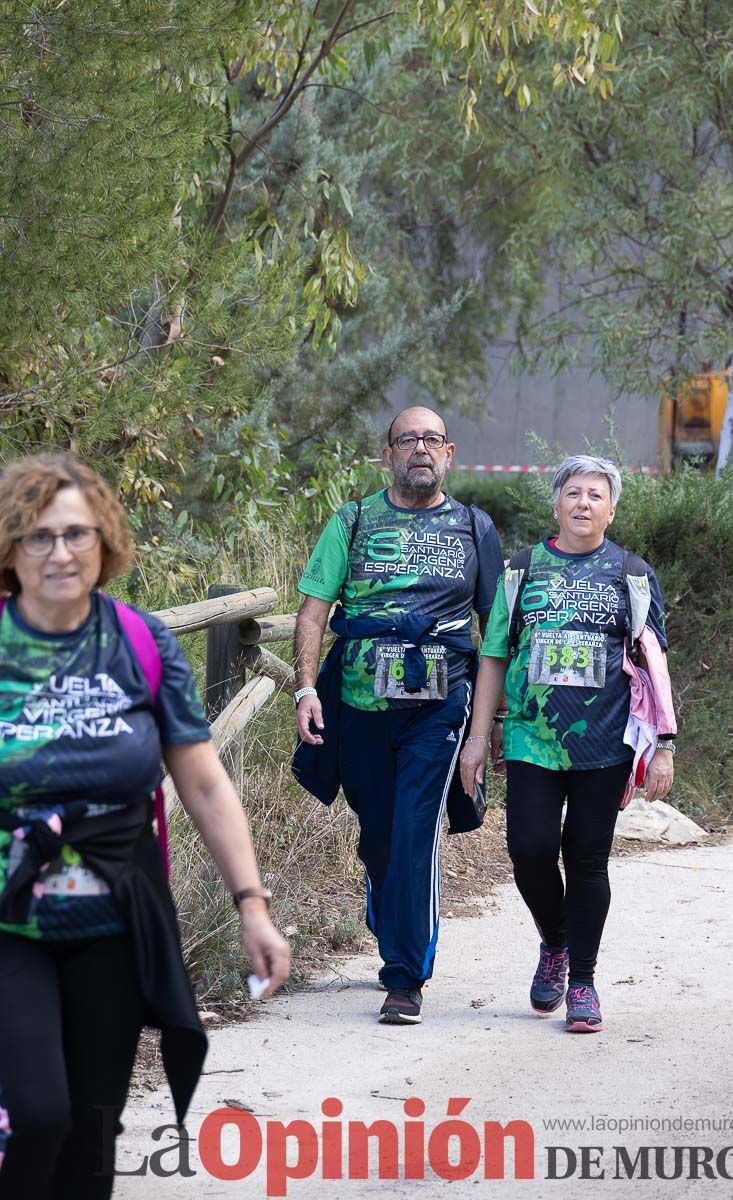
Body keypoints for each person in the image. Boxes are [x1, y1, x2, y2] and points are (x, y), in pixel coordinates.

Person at [0, 452, 290, 1198]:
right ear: (11, 547)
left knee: (93, 1130)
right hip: (10, 917)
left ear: (105, 541)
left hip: (117, 914)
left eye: (77, 533)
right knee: (35, 1115)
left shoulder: (138, 643)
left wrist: (251, 906)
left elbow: (202, 780)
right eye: (38, 536)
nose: (60, 552)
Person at [292, 407, 504, 1025]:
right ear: (387, 455)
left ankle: (405, 976)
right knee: (381, 837)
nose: (420, 448)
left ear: (450, 453)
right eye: (407, 439)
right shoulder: (353, 520)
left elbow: (495, 633)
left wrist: (489, 724)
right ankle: (387, 913)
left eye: (432, 439)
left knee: (416, 833)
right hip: (359, 703)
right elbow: (312, 613)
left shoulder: (474, 527)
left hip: (440, 706)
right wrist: (307, 690)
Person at [460, 454, 676, 1034]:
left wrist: (663, 744)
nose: (584, 503)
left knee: (587, 860)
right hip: (532, 739)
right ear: (555, 504)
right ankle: (554, 940)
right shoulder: (523, 569)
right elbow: (495, 656)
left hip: (606, 745)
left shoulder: (631, 573)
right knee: (529, 849)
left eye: (596, 494)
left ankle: (581, 979)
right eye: (573, 492)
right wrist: (478, 739)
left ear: (612, 508)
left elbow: (653, 663)